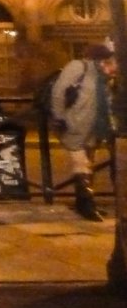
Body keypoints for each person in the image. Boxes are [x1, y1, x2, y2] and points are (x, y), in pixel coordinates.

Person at [50, 44, 118, 221]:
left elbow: (107, 104)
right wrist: (58, 118)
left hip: (93, 128)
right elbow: (58, 93)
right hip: (73, 125)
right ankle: (87, 205)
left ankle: (84, 202)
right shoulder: (78, 67)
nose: (114, 68)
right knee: (82, 165)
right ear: (101, 60)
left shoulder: (104, 78)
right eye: (110, 63)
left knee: (88, 165)